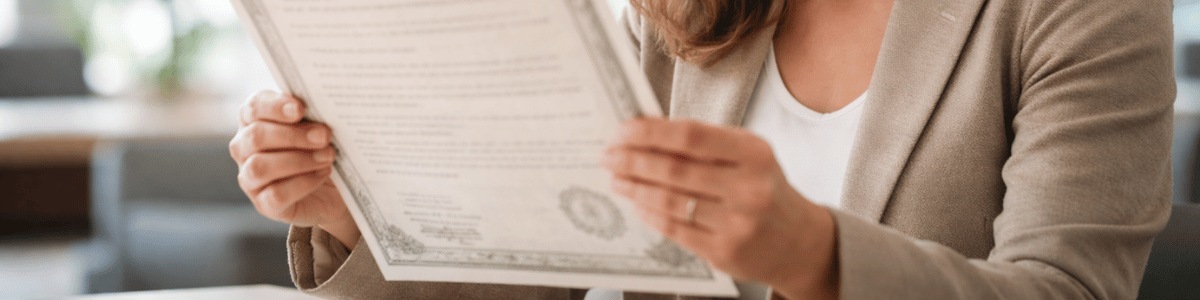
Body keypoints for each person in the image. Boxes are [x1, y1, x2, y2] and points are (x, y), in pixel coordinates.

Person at [227, 0, 1176, 299]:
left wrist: (815, 255)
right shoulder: (684, 5)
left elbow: (1068, 289)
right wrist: (358, 210)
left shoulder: (1080, 9)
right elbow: (548, 254)